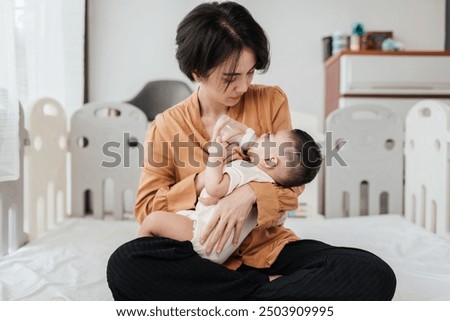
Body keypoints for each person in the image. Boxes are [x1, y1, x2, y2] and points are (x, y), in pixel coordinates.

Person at [107, 1, 396, 300]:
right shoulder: (166, 127)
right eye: (231, 78)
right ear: (197, 73)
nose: (244, 87)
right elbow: (147, 210)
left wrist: (249, 195)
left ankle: (231, 301)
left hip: (267, 250)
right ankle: (269, 296)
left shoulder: (271, 101)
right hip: (198, 255)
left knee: (372, 271)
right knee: (124, 264)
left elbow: (293, 183)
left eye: (251, 72)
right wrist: (204, 181)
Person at [137, 116, 323, 264]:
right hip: (220, 249)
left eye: (268, 137)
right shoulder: (271, 182)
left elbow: (215, 187)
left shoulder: (245, 170)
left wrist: (216, 155)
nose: (262, 134)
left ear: (270, 161)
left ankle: (140, 258)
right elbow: (253, 146)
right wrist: (249, 136)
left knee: (153, 221)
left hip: (201, 233)